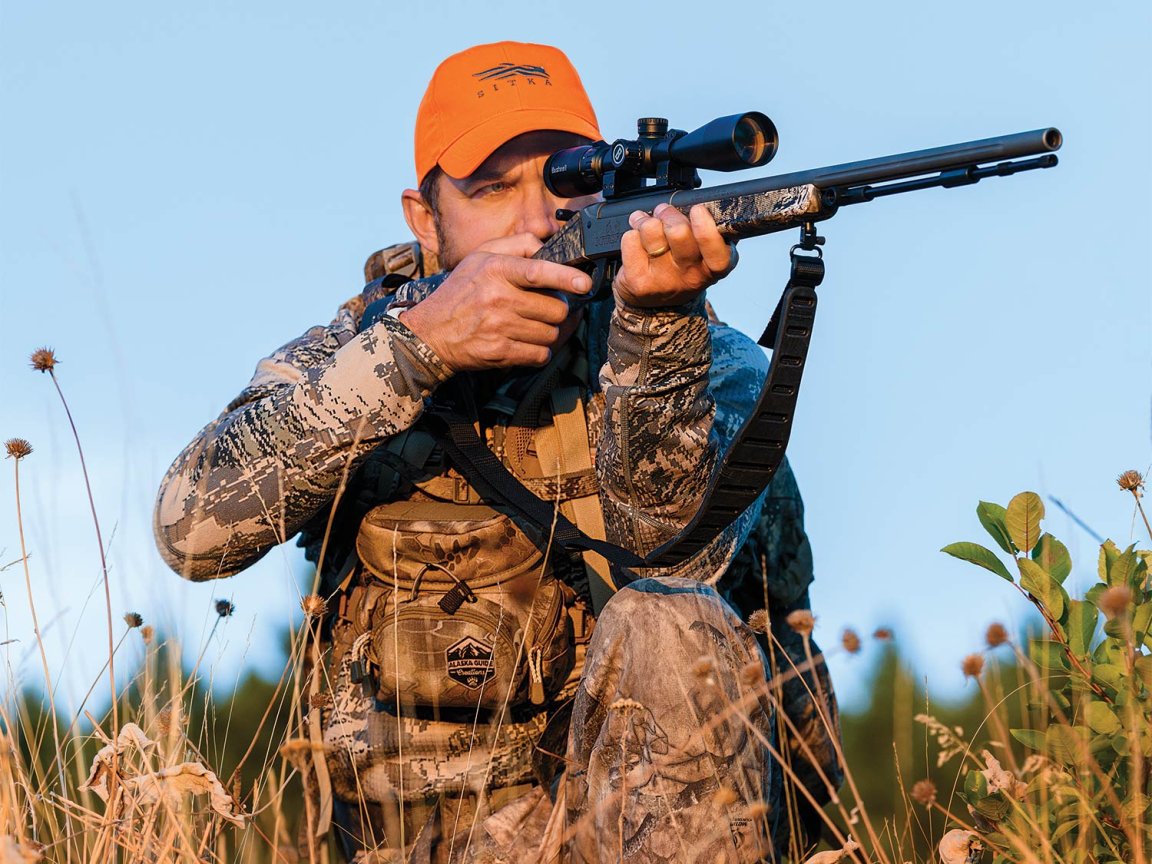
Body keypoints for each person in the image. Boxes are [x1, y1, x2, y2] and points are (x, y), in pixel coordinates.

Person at [154, 41, 840, 863]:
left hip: (656, 832)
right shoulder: (355, 349)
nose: (536, 219)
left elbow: (687, 564)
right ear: (424, 217)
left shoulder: (699, 358)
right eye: (492, 188)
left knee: (669, 618)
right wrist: (418, 351)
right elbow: (190, 531)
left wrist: (659, 334)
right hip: (423, 842)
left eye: (567, 178)